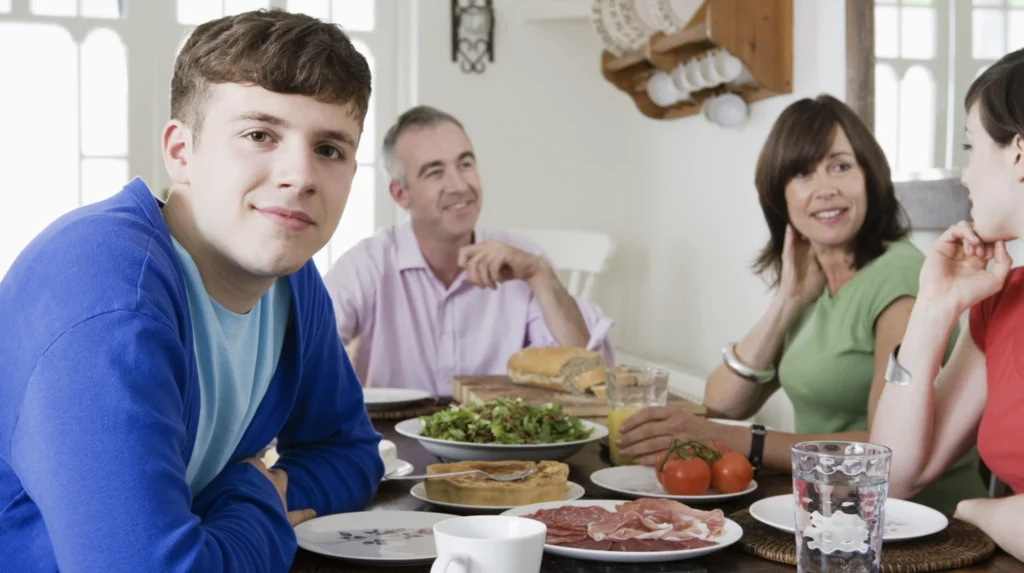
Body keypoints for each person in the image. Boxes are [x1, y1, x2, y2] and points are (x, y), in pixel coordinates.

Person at [0, 10, 383, 572]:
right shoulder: (106, 294)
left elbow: (349, 454)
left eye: (329, 149)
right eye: (259, 135)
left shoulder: (292, 281)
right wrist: (259, 499)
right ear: (181, 153)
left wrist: (242, 497)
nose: (300, 176)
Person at [615, 94, 987, 516]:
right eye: (802, 173)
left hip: (916, 525)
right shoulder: (810, 281)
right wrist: (787, 300)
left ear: (870, 176)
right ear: (779, 194)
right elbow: (722, 401)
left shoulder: (900, 279)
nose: (826, 188)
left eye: (841, 166)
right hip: (829, 510)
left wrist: (740, 440)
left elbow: (887, 451)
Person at [322, 105, 614, 396]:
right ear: (401, 194)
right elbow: (306, 353)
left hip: (501, 439)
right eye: (435, 172)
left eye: (465, 164)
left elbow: (586, 373)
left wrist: (540, 275)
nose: (460, 185)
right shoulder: (368, 264)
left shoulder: (526, 260)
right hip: (392, 438)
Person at [870, 48, 1024, 560]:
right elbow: (892, 476)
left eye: (970, 145)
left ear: (1019, 153)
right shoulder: (1003, 302)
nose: (964, 174)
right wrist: (934, 309)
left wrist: (981, 511)